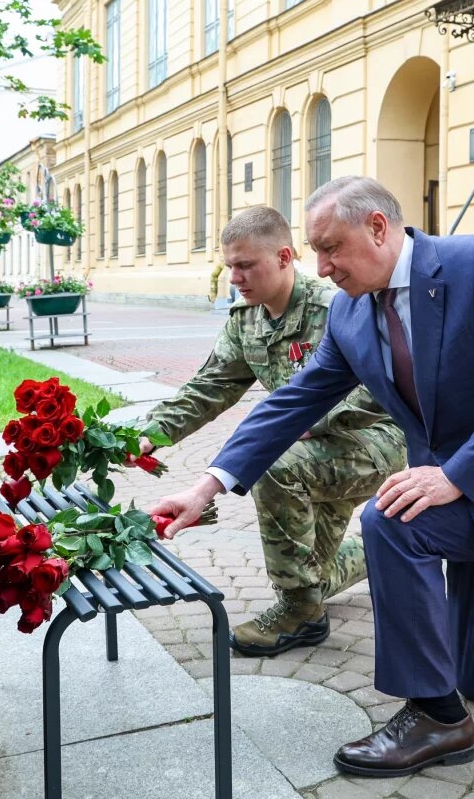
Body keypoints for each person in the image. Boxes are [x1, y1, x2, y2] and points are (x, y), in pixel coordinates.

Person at [151, 176, 474, 778]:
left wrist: (454, 476)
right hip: (459, 491)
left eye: (330, 248)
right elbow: (292, 402)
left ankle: (435, 716)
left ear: (378, 227)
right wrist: (207, 486)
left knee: (394, 520)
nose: (320, 267)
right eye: (315, 251)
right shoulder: (352, 314)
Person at [140, 206, 405, 656]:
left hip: (373, 441)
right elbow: (210, 387)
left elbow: (380, 388)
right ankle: (376, 559)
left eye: (246, 266)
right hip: (307, 450)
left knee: (272, 465)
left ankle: (300, 614)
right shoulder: (247, 322)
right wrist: (151, 434)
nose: (236, 278)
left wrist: (310, 421)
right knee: (310, 566)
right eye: (230, 268)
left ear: (284, 257)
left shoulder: (337, 305)